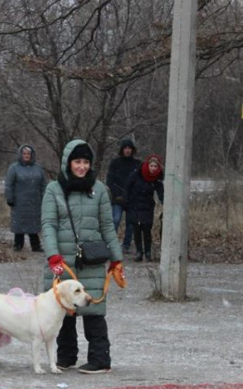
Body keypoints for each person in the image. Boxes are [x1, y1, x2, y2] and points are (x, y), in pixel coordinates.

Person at [41, 139, 123, 374]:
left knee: (94, 310)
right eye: (77, 161)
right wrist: (53, 256)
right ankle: (66, 357)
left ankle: (100, 359)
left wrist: (116, 259)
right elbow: (48, 224)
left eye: (86, 162)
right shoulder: (53, 190)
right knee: (64, 309)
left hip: (92, 260)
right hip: (62, 261)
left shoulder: (98, 190)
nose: (82, 166)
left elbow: (108, 225)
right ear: (68, 162)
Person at [5, 144, 46, 252]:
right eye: (24, 154)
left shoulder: (38, 168)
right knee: (19, 224)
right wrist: (10, 198)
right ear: (20, 155)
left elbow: (43, 185)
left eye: (28, 154)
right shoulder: (14, 168)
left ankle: (36, 246)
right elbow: (9, 184)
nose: (26, 156)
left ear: (32, 155)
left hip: (35, 202)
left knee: (34, 224)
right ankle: (18, 245)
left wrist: (45, 198)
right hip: (19, 202)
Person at [124, 154, 164, 262]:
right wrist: (125, 201)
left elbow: (161, 192)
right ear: (148, 165)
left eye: (155, 167)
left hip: (147, 206)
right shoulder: (137, 173)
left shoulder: (157, 179)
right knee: (136, 229)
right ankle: (139, 252)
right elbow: (127, 186)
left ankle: (148, 252)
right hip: (134, 205)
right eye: (151, 166)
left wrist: (164, 201)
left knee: (147, 229)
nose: (153, 169)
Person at [106, 139, 141, 254]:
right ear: (122, 149)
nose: (127, 150)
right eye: (125, 148)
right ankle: (111, 244)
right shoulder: (115, 163)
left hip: (132, 198)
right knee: (115, 219)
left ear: (132, 149)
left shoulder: (137, 164)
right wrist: (118, 193)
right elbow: (110, 180)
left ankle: (126, 245)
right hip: (118, 197)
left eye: (129, 148)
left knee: (130, 223)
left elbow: (140, 180)